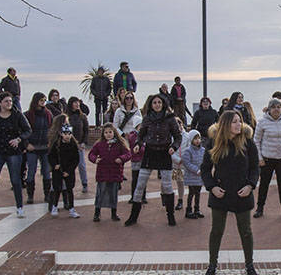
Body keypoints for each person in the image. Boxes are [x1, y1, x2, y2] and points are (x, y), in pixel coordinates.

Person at [201, 111, 260, 275]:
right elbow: (205, 169)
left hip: (242, 193)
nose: (238, 124)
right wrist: (212, 187)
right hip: (220, 193)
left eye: (239, 121)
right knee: (217, 231)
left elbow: (255, 167)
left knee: (246, 231)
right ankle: (212, 265)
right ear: (226, 124)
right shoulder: (214, 142)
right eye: (234, 122)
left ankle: (249, 265)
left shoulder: (247, 142)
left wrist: (250, 185)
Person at [125, 94, 181, 227]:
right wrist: (138, 144)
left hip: (164, 153)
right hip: (149, 152)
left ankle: (170, 216)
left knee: (167, 186)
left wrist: (174, 146)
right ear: (151, 104)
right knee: (140, 185)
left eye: (159, 102)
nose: (157, 105)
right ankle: (133, 216)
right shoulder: (147, 118)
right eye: (154, 102)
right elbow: (141, 135)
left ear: (163, 104)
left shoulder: (170, 118)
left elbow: (178, 137)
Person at [0, 94, 32, 218]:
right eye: (6, 101)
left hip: (13, 152)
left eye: (10, 101)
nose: (9, 103)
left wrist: (19, 139)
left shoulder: (18, 115)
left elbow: (28, 130)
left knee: (15, 180)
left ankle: (19, 207)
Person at [253, 97, 281, 219]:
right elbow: (256, 141)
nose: (276, 109)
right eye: (274, 107)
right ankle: (260, 208)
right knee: (264, 184)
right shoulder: (262, 122)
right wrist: (259, 158)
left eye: (278, 107)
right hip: (267, 159)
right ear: (269, 109)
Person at [88, 123, 131, 221]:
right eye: (106, 132)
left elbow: (128, 154)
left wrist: (121, 158)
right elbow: (91, 154)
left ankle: (113, 213)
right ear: (103, 134)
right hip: (102, 172)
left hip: (115, 172)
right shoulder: (99, 144)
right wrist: (95, 159)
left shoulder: (119, 144)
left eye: (110, 132)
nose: (108, 134)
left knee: (113, 194)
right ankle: (97, 213)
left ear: (114, 132)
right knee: (100, 193)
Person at [23, 92, 54, 204]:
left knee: (46, 171)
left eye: (44, 100)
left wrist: (50, 142)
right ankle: (30, 195)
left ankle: (47, 195)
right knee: (31, 171)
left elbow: (52, 129)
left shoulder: (48, 114)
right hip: (32, 147)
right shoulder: (27, 115)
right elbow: (22, 130)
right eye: (41, 100)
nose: (43, 102)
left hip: (45, 147)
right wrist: (26, 144)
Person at [47, 124, 81, 218]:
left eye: (69, 133)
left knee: (69, 189)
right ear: (61, 134)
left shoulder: (73, 145)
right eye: (65, 133)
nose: (67, 136)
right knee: (57, 189)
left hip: (69, 171)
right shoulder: (56, 144)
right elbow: (50, 156)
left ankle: (71, 208)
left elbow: (76, 160)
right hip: (58, 170)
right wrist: (54, 165)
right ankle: (54, 206)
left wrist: (69, 171)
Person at [63, 96, 91, 193]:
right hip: (69, 145)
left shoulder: (82, 116)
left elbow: (86, 130)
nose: (77, 104)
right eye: (75, 102)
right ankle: (66, 185)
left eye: (78, 102)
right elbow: (66, 131)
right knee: (67, 165)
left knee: (81, 165)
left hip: (80, 145)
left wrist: (83, 142)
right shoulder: (66, 117)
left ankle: (85, 183)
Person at [181, 129, 205, 219]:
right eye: (195, 139)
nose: (198, 140)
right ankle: (189, 210)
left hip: (199, 176)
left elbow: (205, 161)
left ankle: (197, 209)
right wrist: (196, 170)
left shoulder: (203, 150)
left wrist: (204, 169)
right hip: (192, 176)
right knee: (191, 193)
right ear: (191, 140)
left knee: (198, 193)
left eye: (199, 138)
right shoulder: (188, 151)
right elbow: (187, 163)